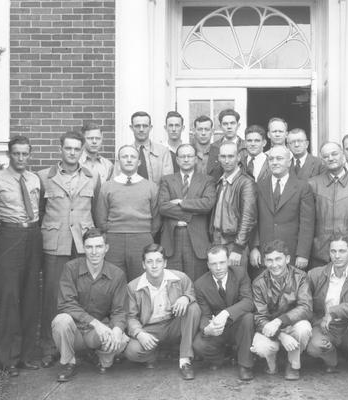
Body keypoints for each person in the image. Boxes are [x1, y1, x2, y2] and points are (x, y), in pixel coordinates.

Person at [38, 130, 100, 368]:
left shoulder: (91, 176)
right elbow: (40, 212)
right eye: (68, 148)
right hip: (56, 244)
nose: (73, 153)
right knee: (53, 296)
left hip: (82, 245)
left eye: (77, 149)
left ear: (82, 151)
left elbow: (96, 211)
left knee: (84, 296)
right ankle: (48, 346)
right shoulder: (45, 177)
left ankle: (83, 346)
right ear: (60, 149)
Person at [0, 135, 42, 376]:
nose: (21, 158)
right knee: (9, 297)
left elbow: (42, 210)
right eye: (16, 153)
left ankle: (27, 356)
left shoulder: (35, 179)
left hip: (33, 236)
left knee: (30, 296)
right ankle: (8, 359)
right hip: (9, 236)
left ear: (30, 154)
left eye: (25, 153)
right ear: (9, 154)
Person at [52, 229, 129, 382]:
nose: (94, 252)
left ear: (106, 248)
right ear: (83, 248)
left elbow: (120, 310)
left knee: (121, 341)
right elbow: (66, 303)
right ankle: (69, 363)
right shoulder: (71, 268)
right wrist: (94, 323)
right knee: (61, 320)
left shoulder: (117, 274)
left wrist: (117, 330)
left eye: (99, 247)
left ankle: (96, 354)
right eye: (89, 247)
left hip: (97, 333)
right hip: (74, 332)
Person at [124, 244, 201, 380]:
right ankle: (158, 352)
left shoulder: (180, 278)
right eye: (149, 261)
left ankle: (184, 360)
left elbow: (192, 293)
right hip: (150, 329)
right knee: (132, 351)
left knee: (193, 308)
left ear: (165, 263)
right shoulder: (133, 287)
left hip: (174, 324)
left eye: (158, 261)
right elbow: (130, 317)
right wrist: (140, 333)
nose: (154, 266)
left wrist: (186, 297)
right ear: (143, 264)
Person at [306, 235, 348, 380]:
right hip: (325, 326)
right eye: (333, 251)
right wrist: (317, 322)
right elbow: (306, 305)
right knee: (314, 347)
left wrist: (334, 311)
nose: (337, 256)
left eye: (342, 251)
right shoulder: (315, 274)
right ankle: (333, 357)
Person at [95, 145, 160, 281]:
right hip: (114, 240)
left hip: (142, 239)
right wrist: (113, 231)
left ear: (139, 162)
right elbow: (100, 218)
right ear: (118, 161)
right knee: (113, 280)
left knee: (141, 281)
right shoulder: (107, 186)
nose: (129, 160)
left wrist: (144, 232)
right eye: (125, 157)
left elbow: (156, 218)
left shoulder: (151, 187)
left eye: (133, 157)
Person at [251, 240, 312, 380]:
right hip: (269, 329)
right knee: (260, 347)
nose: (274, 264)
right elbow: (259, 317)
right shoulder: (258, 282)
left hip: (292, 324)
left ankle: (293, 364)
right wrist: (280, 335)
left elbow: (306, 307)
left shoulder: (300, 277)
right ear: (264, 262)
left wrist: (280, 321)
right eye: (269, 260)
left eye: (278, 259)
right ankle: (271, 364)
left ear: (288, 259)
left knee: (304, 329)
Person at [250, 145, 315, 277]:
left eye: (279, 159)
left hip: (291, 254)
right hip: (264, 254)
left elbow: (307, 224)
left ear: (289, 162)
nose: (274, 162)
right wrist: (254, 248)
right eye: (271, 159)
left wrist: (302, 254)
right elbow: (253, 219)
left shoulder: (303, 187)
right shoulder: (259, 185)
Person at [192, 245, 255, 381]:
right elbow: (205, 315)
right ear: (208, 265)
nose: (218, 268)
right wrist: (207, 329)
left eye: (222, 262)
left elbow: (249, 302)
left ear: (228, 261)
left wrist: (226, 313)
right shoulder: (200, 284)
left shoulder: (240, 273)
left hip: (238, 325)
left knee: (248, 318)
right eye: (214, 264)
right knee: (198, 345)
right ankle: (224, 357)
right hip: (218, 330)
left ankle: (245, 365)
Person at [159, 144, 216, 281]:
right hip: (172, 238)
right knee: (173, 282)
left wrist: (181, 202)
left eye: (189, 156)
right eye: (182, 156)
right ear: (177, 160)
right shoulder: (167, 180)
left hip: (197, 240)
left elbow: (207, 204)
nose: (186, 159)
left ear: (196, 159)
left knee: (196, 282)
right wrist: (190, 214)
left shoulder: (207, 180)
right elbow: (163, 206)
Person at [210, 141, 257, 275]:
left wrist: (238, 248)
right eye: (223, 156)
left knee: (238, 283)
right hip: (217, 241)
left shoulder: (246, 182)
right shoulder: (220, 181)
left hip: (234, 243)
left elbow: (248, 218)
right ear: (218, 158)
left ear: (238, 158)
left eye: (231, 156)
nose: (226, 160)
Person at [129, 111, 173, 184]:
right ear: (131, 128)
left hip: (156, 194)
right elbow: (118, 182)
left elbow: (167, 183)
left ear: (150, 127)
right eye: (137, 126)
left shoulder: (163, 152)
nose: (141, 129)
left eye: (145, 126)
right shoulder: (124, 153)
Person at [206, 109, 247, 180]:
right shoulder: (213, 147)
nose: (229, 127)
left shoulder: (246, 147)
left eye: (232, 123)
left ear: (238, 125)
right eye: (225, 124)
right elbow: (210, 174)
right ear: (220, 126)